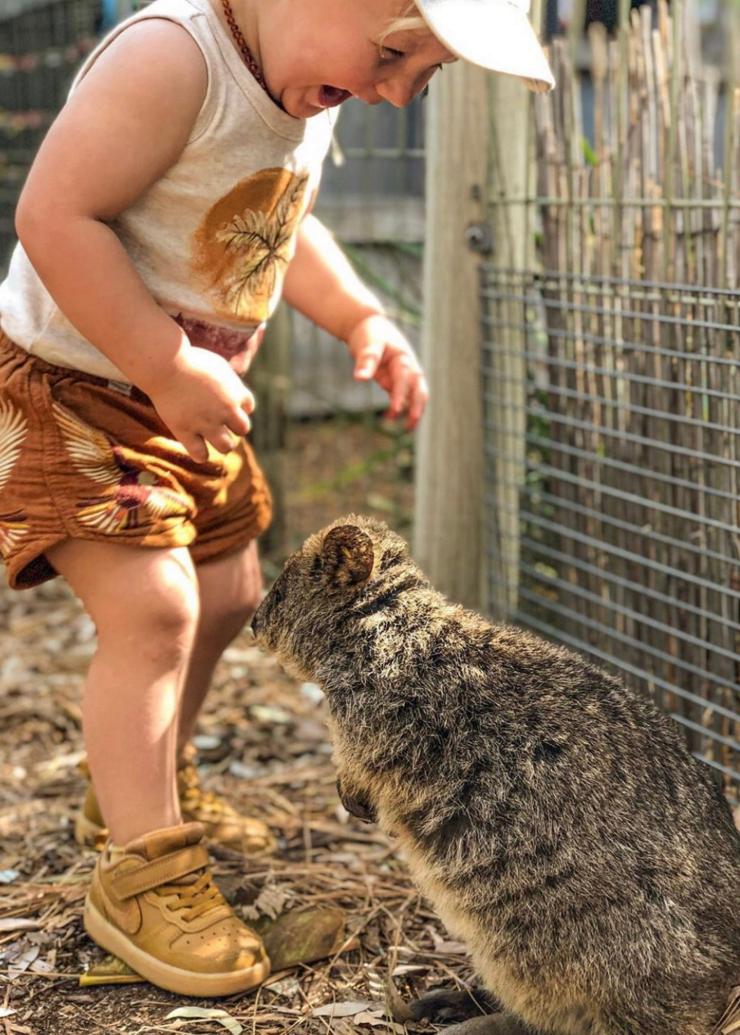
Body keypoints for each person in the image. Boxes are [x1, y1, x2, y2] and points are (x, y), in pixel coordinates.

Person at [0, 0, 553, 998]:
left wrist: (361, 317)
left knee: (224, 596)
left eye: (421, 77)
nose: (392, 91)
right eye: (391, 53)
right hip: (79, 389)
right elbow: (53, 216)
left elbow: (277, 224)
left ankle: (138, 788)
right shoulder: (172, 61)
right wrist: (165, 362)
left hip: (183, 397)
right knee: (155, 611)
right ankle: (140, 874)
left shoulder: (303, 79)